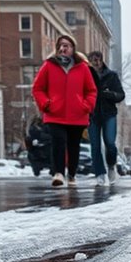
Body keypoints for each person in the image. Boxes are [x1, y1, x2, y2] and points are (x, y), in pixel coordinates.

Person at [32, 34, 97, 187]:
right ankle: (58, 173)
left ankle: (72, 175)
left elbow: (91, 91)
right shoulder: (49, 65)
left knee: (73, 146)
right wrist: (46, 104)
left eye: (66, 45)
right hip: (55, 114)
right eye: (60, 46)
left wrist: (86, 106)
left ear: (72, 48)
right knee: (58, 143)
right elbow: (37, 88)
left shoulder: (83, 68)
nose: (62, 48)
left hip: (78, 115)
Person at [87, 51, 126, 187]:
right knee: (95, 146)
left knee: (110, 143)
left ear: (102, 61)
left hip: (109, 114)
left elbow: (121, 95)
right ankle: (99, 174)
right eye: (92, 60)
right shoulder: (86, 76)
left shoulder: (111, 76)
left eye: (97, 60)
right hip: (92, 115)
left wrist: (109, 94)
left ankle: (111, 166)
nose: (95, 63)